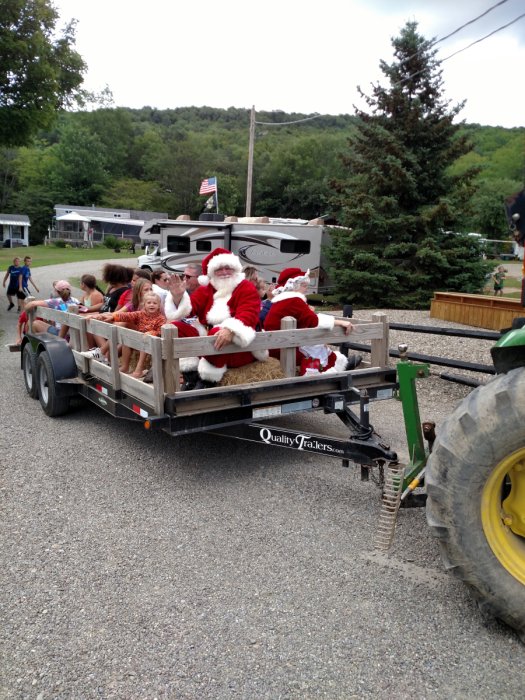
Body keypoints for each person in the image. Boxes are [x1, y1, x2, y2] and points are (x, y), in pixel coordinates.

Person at [166, 248, 265, 390]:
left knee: (216, 332)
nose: (224, 272)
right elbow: (189, 310)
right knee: (176, 327)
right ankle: (191, 376)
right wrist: (177, 297)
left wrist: (231, 329)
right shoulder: (207, 289)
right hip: (212, 344)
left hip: (240, 347)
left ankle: (207, 380)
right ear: (212, 272)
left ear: (235, 269)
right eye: (219, 269)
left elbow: (248, 314)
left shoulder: (245, 287)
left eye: (228, 268)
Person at [263, 268, 362, 374]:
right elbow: (314, 321)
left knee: (315, 343)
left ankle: (340, 364)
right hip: (283, 347)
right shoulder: (294, 300)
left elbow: (308, 318)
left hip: (278, 344)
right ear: (293, 286)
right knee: (315, 346)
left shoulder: (283, 300)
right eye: (304, 286)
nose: (307, 290)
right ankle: (333, 370)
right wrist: (341, 322)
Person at [90, 292, 167, 378]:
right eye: (149, 303)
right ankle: (124, 366)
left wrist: (152, 333)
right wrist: (114, 317)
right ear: (144, 304)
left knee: (146, 340)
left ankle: (139, 370)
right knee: (127, 335)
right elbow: (127, 315)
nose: (151, 305)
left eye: (155, 303)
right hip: (140, 339)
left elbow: (160, 331)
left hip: (151, 343)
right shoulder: (140, 314)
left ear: (159, 305)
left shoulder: (161, 318)